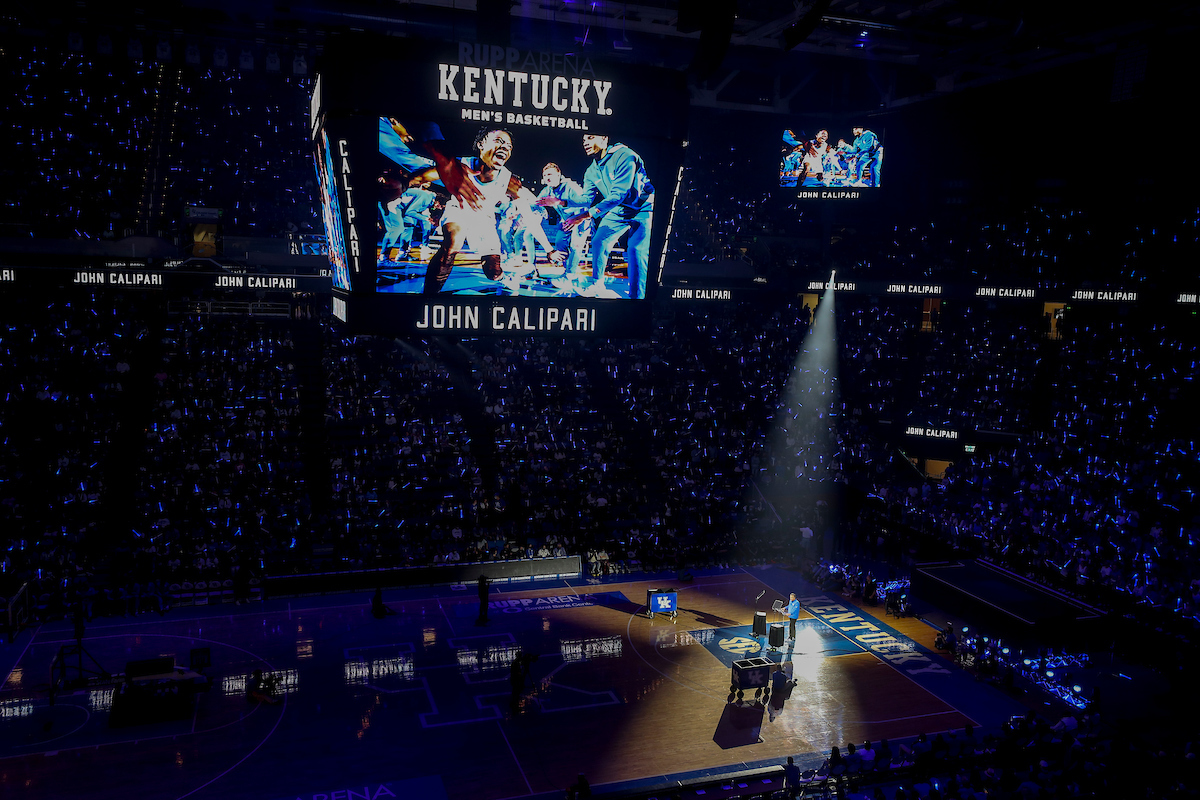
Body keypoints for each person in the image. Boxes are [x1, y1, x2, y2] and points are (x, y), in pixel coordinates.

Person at [414, 126, 563, 293]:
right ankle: (427, 298)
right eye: (499, 142)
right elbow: (424, 174)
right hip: (458, 210)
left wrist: (549, 249)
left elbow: (529, 217)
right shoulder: (460, 165)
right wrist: (405, 182)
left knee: (493, 272)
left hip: (484, 221)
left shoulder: (510, 181)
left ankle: (503, 277)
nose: (504, 147)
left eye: (508, 146)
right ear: (481, 144)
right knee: (453, 241)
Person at [563, 133, 654, 299]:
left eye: (590, 138)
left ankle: (637, 300)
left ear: (604, 139)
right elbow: (585, 199)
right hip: (620, 209)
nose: (585, 142)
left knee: (635, 251)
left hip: (643, 207)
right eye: (583, 139)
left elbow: (619, 194)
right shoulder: (591, 170)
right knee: (599, 241)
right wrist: (560, 202)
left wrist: (585, 215)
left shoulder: (625, 155)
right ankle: (597, 285)